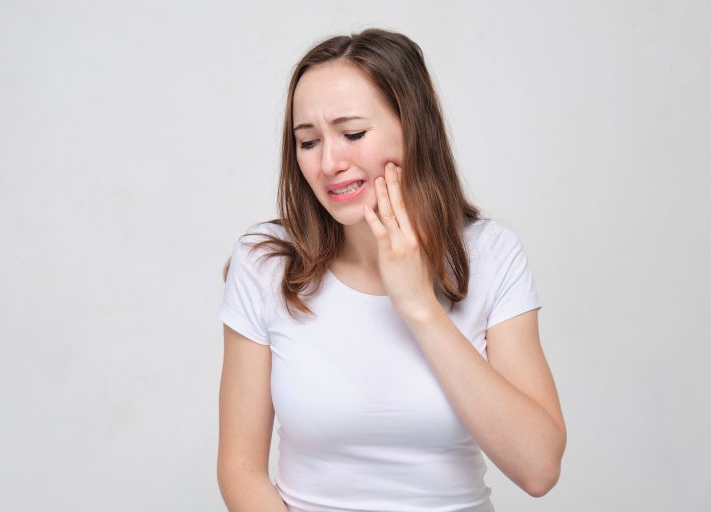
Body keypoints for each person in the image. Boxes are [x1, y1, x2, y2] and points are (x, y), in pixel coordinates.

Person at [217, 28, 566, 512]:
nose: (329, 162)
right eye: (308, 142)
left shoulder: (490, 254)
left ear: (412, 129)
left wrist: (420, 307)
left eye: (353, 134)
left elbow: (539, 467)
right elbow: (240, 469)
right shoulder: (266, 263)